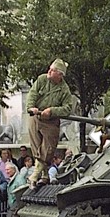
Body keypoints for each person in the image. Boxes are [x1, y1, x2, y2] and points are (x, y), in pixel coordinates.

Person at [27, 58, 74, 186]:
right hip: (36, 117)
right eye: (50, 68)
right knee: (36, 147)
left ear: (60, 75)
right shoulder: (42, 79)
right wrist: (31, 107)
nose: (49, 71)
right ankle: (45, 175)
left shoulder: (64, 89)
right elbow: (32, 94)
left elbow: (68, 108)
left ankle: (35, 175)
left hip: (51, 122)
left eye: (53, 70)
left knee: (47, 149)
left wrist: (52, 111)